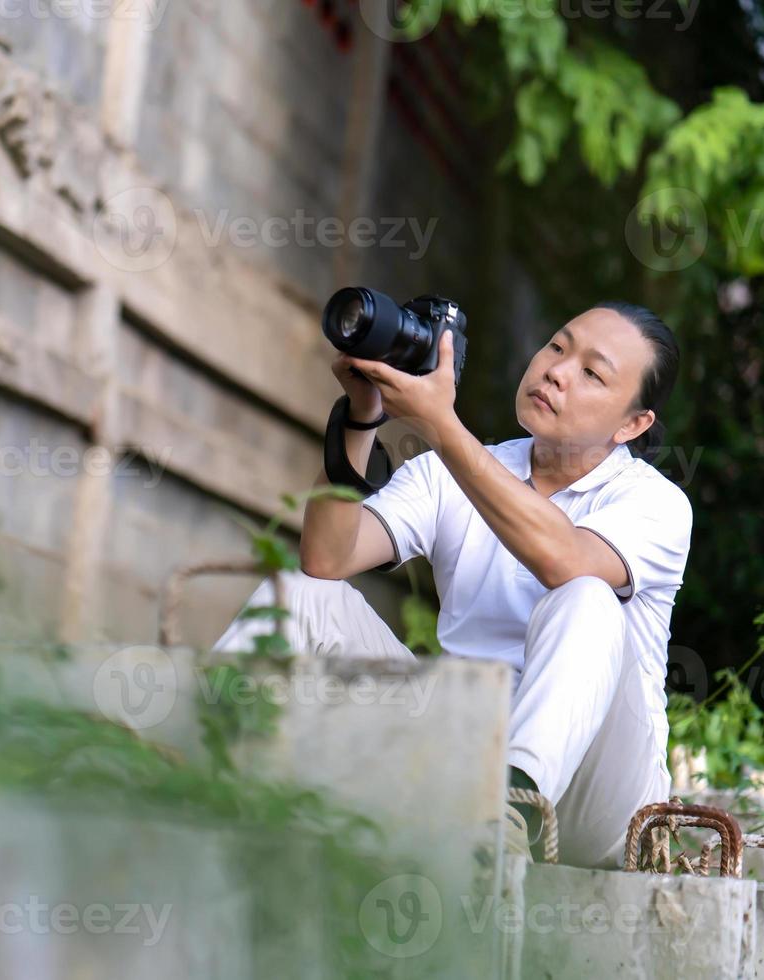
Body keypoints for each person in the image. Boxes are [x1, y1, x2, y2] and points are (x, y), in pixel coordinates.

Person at [211, 301, 692, 868]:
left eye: (592, 373)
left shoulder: (654, 501)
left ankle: (509, 817)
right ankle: (203, 761)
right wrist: (362, 418)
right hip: (459, 747)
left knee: (587, 595)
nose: (557, 371)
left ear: (632, 425)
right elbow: (327, 557)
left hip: (602, 797)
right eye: (558, 348)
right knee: (303, 594)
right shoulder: (448, 473)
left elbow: (563, 559)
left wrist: (441, 425)